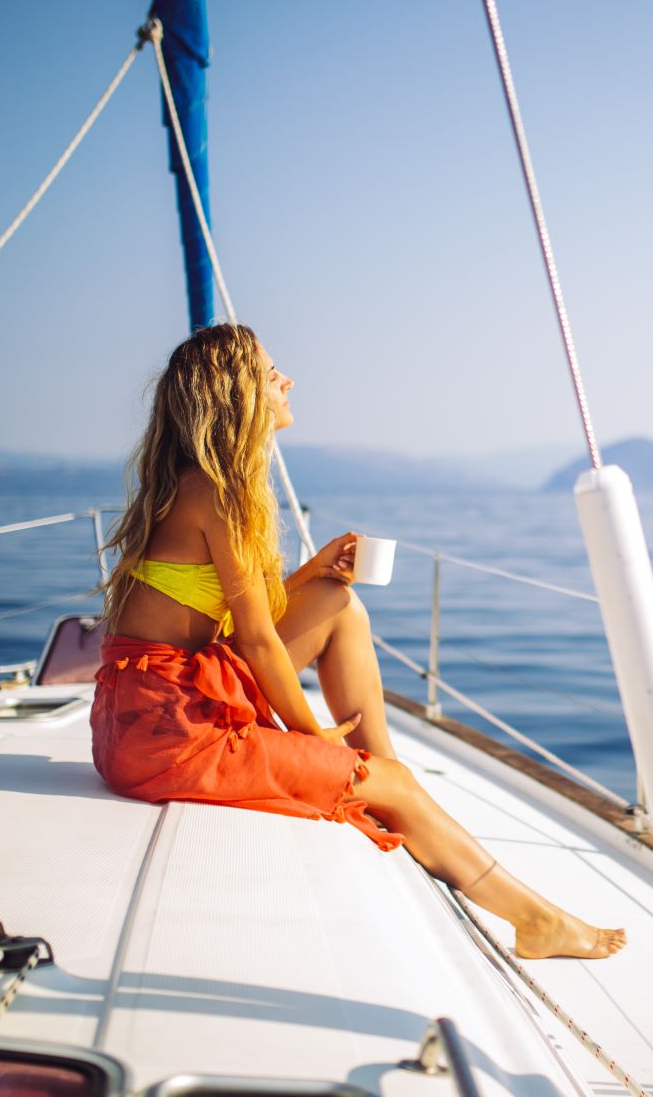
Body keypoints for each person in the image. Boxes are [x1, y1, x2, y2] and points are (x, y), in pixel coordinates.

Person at [92, 323, 624, 960]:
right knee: (389, 780)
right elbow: (257, 643)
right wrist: (310, 735)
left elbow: (230, 622)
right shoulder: (218, 492)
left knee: (337, 603)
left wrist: (310, 574)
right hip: (169, 733)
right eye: (268, 374)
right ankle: (532, 918)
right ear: (238, 398)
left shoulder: (200, 483)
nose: (287, 380)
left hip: (151, 710)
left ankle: (377, 774)